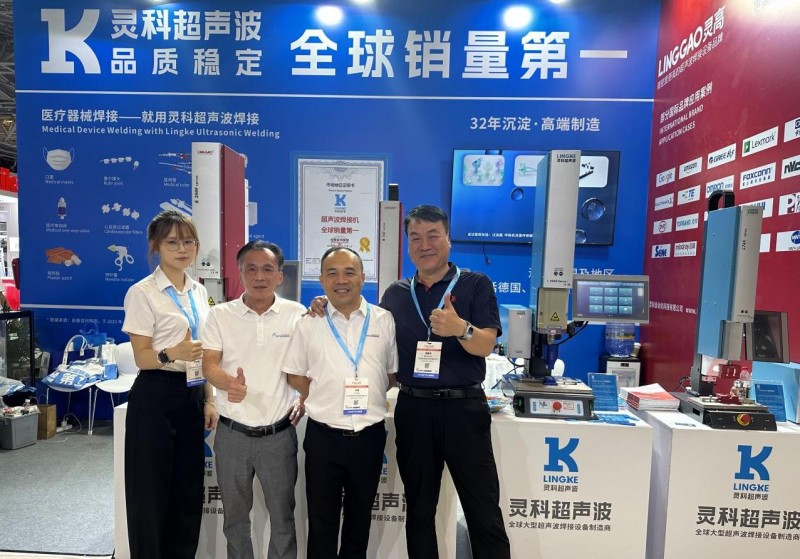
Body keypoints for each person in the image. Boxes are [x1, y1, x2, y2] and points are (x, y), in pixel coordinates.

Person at [379, 205, 510, 559]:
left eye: (433, 235)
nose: (425, 245)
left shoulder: (475, 284)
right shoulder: (395, 294)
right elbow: (376, 344)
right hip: (414, 409)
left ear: (448, 239)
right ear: (408, 245)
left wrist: (461, 328)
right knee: (419, 511)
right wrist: (322, 307)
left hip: (463, 409)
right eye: (416, 238)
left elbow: (485, 344)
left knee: (483, 510)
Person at [284, 247, 398, 559]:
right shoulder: (309, 322)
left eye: (349, 272)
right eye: (332, 273)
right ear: (321, 280)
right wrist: (323, 392)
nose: (341, 280)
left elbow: (390, 375)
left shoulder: (384, 320)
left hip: (369, 437)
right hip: (324, 437)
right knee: (321, 522)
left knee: (359, 522)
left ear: (363, 277)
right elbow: (294, 373)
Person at [122, 210, 217, 559]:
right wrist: (171, 353)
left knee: (188, 492)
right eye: (172, 242)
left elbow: (204, 350)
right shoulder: (143, 292)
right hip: (155, 393)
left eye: (188, 242)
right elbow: (141, 357)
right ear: (156, 245)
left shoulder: (199, 292)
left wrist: (209, 399)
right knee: (150, 494)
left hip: (192, 393)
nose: (182, 249)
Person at [202, 240, 306, 559]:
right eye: (251, 269)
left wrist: (304, 396)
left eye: (267, 269)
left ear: (279, 276)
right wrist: (228, 384)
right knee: (235, 521)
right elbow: (209, 365)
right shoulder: (220, 315)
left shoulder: (297, 314)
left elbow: (308, 367)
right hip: (232, 434)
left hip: (278, 435)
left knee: (283, 520)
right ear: (240, 273)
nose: (259, 276)